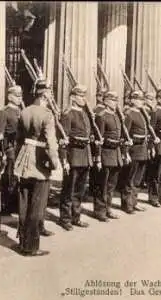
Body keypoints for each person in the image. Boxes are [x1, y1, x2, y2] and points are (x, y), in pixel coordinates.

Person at [13, 79, 59, 256]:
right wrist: (55, 162)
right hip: (39, 161)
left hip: (24, 159)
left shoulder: (24, 111)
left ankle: (22, 240)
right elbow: (51, 143)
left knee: (24, 201)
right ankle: (31, 247)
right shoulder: (47, 114)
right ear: (45, 94)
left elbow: (19, 138)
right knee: (37, 205)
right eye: (50, 93)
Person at [58, 85, 97, 230]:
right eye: (80, 96)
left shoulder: (86, 114)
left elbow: (89, 133)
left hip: (84, 155)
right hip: (73, 156)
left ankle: (76, 216)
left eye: (84, 96)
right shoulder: (68, 114)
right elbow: (63, 139)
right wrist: (64, 160)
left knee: (79, 190)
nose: (83, 99)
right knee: (69, 189)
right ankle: (65, 218)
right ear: (73, 97)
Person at [119, 90, 152, 213]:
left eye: (142, 99)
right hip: (133, 150)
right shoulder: (129, 114)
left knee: (137, 179)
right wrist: (125, 152)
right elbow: (125, 135)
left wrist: (148, 149)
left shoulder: (142, 113)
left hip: (142, 149)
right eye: (138, 99)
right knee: (129, 178)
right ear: (132, 100)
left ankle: (134, 202)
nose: (141, 101)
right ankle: (127, 204)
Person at [92, 91, 123, 222]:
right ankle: (100, 211)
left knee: (111, 185)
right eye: (112, 100)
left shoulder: (116, 116)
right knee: (102, 185)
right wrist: (98, 157)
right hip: (105, 153)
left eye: (116, 100)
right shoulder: (102, 116)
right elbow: (99, 138)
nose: (115, 102)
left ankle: (108, 208)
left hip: (115, 154)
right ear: (105, 101)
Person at [0, 85, 24, 216]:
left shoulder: (21, 111)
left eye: (20, 96)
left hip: (20, 149)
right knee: (8, 177)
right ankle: (4, 205)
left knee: (18, 177)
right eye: (17, 96)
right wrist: (1, 153)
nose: (20, 98)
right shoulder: (4, 112)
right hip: (9, 148)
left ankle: (15, 204)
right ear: (9, 97)